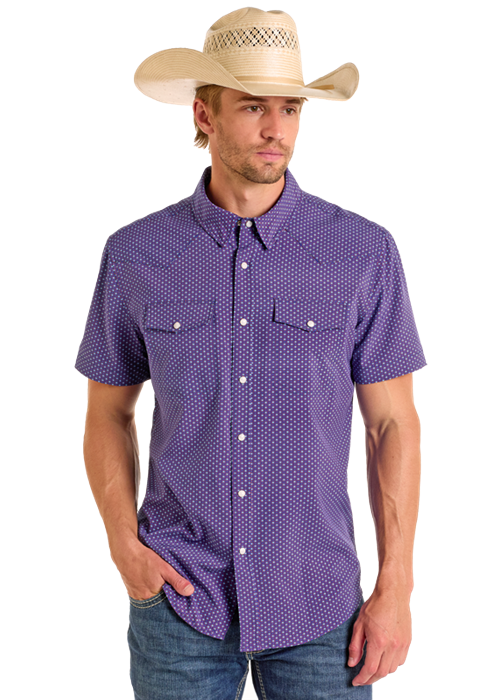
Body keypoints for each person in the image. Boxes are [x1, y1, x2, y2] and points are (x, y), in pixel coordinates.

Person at [75, 7, 427, 699]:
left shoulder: (362, 251)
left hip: (321, 600)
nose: (276, 130)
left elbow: (394, 425)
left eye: (291, 109)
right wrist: (124, 548)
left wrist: (396, 589)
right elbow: (106, 412)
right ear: (203, 115)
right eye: (253, 107)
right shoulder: (136, 254)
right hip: (179, 597)